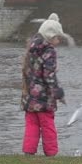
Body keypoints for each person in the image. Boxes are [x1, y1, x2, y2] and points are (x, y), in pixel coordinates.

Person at [21, 19, 66, 156]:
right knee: (48, 126)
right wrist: (59, 93)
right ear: (51, 37)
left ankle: (29, 152)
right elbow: (48, 76)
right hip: (44, 98)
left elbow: (30, 70)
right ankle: (51, 153)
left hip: (29, 96)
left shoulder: (31, 47)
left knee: (31, 124)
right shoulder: (49, 51)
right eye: (58, 37)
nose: (59, 41)